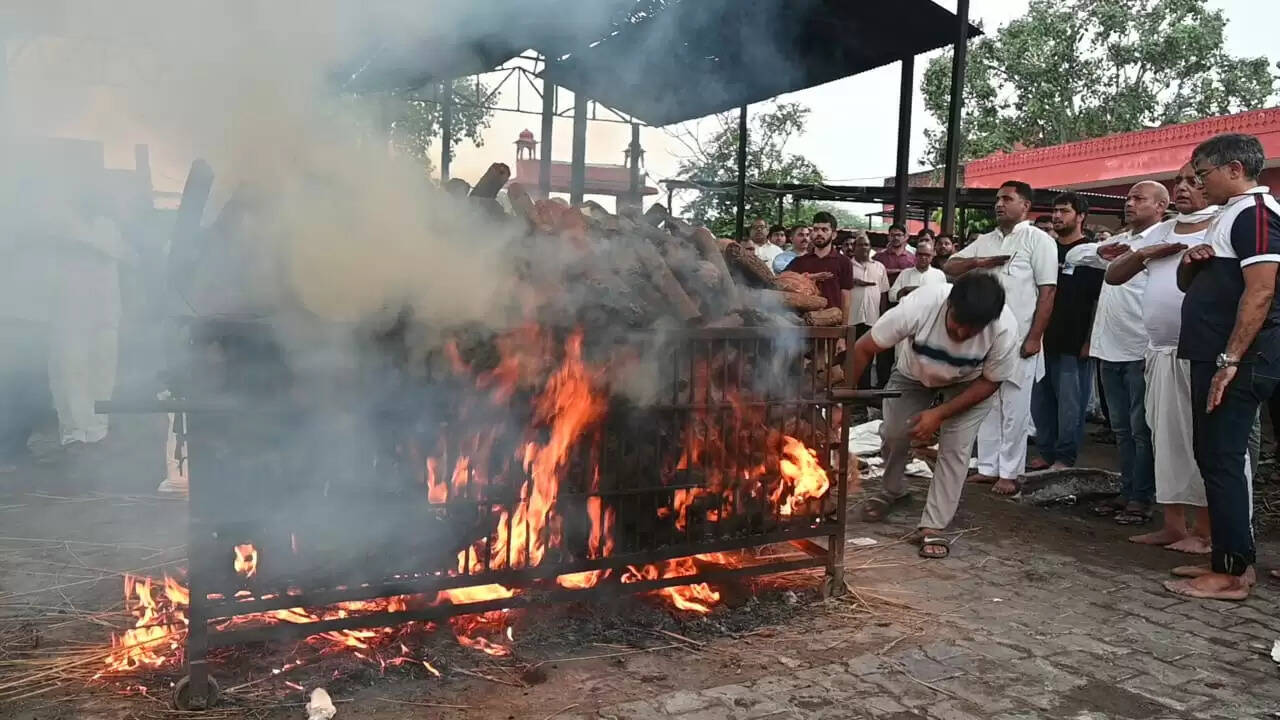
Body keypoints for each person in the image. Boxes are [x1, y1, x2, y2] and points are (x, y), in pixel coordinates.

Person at [1167, 133, 1280, 601]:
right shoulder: (1230, 215)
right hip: (1217, 354)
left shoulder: (1256, 214)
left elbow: (1261, 290)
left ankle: (1232, 571)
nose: (1197, 183)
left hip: (1239, 358)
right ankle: (1231, 556)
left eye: (1202, 174)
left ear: (1234, 169)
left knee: (1223, 456)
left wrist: (1230, 359)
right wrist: (1192, 265)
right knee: (1214, 454)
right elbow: (1200, 282)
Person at [853, 273, 1019, 557]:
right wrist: (841, 402)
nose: (962, 334)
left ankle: (933, 524)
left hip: (970, 383)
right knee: (894, 432)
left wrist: (939, 415)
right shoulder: (922, 303)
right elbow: (864, 348)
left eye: (972, 330)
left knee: (955, 450)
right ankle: (893, 491)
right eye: (957, 323)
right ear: (949, 304)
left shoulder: (1004, 329)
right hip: (913, 374)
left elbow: (991, 382)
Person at [1101, 164, 1217, 553]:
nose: (1182, 187)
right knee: (1165, 440)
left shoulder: (1221, 225)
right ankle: (1173, 525)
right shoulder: (1161, 231)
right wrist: (1146, 253)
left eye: (1192, 181)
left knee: (1202, 442)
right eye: (1177, 181)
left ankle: (1206, 532)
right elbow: (1113, 275)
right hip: (1158, 350)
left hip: (1202, 353)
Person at [1066, 181, 1169, 525]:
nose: (1129, 203)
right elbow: (1073, 255)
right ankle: (1127, 491)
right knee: (1122, 430)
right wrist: (1102, 250)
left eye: (1139, 198)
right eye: (1128, 197)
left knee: (1142, 431)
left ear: (1160, 206)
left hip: (1140, 348)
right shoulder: (1121, 241)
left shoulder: (1164, 239)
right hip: (1109, 348)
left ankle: (1142, 497)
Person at [945, 180, 1057, 496]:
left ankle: (1010, 472)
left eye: (1007, 199)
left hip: (1021, 337)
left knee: (1015, 407)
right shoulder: (986, 240)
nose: (999, 204)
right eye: (997, 199)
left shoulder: (1039, 240)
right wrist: (979, 262)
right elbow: (950, 266)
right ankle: (987, 467)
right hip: (985, 338)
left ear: (1025, 205)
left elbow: (1048, 292)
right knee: (986, 403)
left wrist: (1035, 337)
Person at [48, 184, 131, 450]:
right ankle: (75, 432)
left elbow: (120, 252)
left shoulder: (108, 226)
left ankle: (97, 431)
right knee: (71, 372)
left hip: (106, 315)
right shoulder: (62, 222)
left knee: (103, 373)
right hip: (71, 315)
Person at [1029, 192, 1104, 471]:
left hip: (1074, 340)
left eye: (1065, 211)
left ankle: (1065, 457)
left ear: (1081, 216)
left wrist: (1090, 340)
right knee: (1041, 402)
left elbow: (1098, 301)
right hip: (1042, 339)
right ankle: (1045, 452)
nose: (1057, 216)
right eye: (1055, 211)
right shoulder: (1046, 249)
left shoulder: (1092, 254)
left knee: (1070, 406)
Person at [784, 211, 855, 323]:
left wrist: (844, 328)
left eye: (824, 230)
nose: (819, 233)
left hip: (833, 324)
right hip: (802, 325)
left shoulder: (844, 262)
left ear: (834, 234)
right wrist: (807, 278)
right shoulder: (798, 262)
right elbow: (783, 284)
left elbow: (846, 297)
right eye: (816, 229)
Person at [845, 232, 889, 388]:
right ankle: (848, 388)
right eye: (860, 244)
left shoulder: (879, 267)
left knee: (868, 356)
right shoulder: (847, 266)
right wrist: (852, 281)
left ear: (870, 248)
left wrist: (882, 317)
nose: (864, 248)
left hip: (872, 318)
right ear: (854, 247)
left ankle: (864, 391)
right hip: (851, 319)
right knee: (849, 355)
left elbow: (884, 293)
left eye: (866, 245)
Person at [875, 223, 916, 287]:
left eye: (899, 235)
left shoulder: (912, 258)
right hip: (883, 291)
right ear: (888, 237)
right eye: (892, 235)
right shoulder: (879, 256)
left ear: (905, 237)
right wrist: (899, 271)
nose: (896, 238)